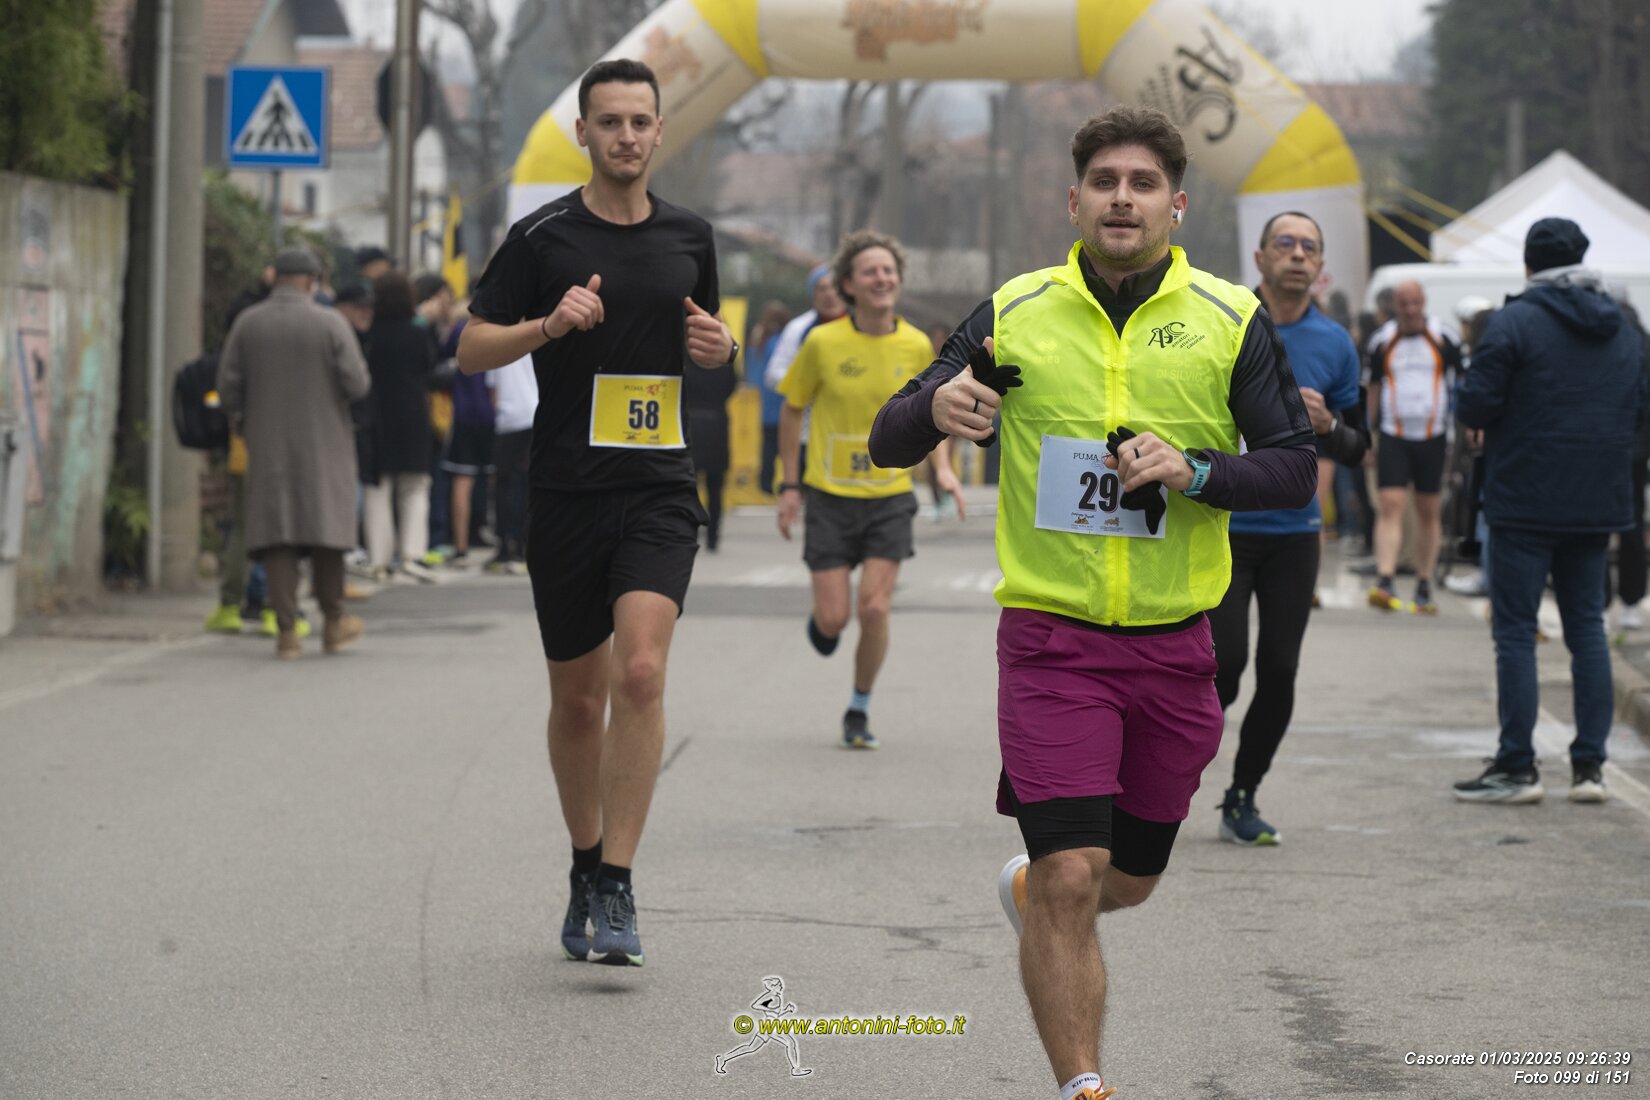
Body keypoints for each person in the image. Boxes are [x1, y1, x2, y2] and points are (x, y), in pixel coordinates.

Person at [868, 106, 1316, 1100]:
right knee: (1072, 873)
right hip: (1052, 644)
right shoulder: (1015, 310)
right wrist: (933, 407)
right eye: (1105, 182)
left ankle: (1032, 895)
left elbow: (1295, 469)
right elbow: (888, 436)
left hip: (1175, 647)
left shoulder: (1228, 318)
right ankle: (1083, 1084)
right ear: (1074, 200)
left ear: (1176, 205)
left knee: (1130, 878)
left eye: (1142, 183)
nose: (1122, 198)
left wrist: (1196, 469)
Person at [455, 59, 735, 967]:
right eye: (608, 121)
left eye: (639, 121)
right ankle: (584, 861)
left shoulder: (691, 236)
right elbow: (469, 349)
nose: (625, 136)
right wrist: (547, 326)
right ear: (583, 132)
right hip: (567, 492)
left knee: (640, 674)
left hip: (659, 489)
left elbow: (706, 343)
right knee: (577, 702)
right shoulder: (541, 238)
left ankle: (617, 881)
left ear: (660, 132)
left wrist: (720, 346)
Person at [1453, 218, 1646, 805]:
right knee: (1588, 628)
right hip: (1598, 500)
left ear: (1529, 264)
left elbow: (1475, 403)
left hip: (1524, 497)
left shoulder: (1514, 321)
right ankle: (1590, 769)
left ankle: (1518, 766)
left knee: (1515, 632)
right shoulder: (1625, 325)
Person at [1206, 212, 1369, 845]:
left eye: (1309, 247)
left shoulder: (1336, 343)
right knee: (1221, 667)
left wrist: (1330, 428)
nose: (1297, 255)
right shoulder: (1221, 322)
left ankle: (1243, 794)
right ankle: (1160, 776)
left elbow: (1360, 447)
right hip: (1222, 522)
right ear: (1260, 257)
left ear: (1320, 265)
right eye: (1285, 244)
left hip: (1296, 533)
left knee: (1279, 669)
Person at [776, 230, 964, 750]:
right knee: (834, 618)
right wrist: (789, 485)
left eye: (889, 270)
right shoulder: (822, 342)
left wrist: (944, 472)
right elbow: (792, 410)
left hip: (889, 496)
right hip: (830, 496)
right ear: (849, 285)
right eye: (870, 272)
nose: (882, 278)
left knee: (875, 608)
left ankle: (859, 706)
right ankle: (824, 624)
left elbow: (933, 417)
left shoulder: (917, 344)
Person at [216, 247, 370, 658]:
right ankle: (334, 623)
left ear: (276, 278)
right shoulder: (331, 323)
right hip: (326, 444)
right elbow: (357, 384)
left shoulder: (248, 324)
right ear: (310, 281)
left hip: (267, 444)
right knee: (327, 533)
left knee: (277, 534)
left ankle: (287, 632)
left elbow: (228, 388)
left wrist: (245, 417)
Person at [1364, 280, 1463, 613]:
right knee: (1390, 504)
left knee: (1427, 509)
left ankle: (1423, 583)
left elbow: (1463, 382)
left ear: (1424, 301)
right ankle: (1385, 579)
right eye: (1404, 303)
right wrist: (1367, 434)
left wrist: (1465, 428)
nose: (1410, 310)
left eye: (1415, 302)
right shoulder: (1382, 340)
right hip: (1394, 433)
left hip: (1434, 435)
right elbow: (1373, 388)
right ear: (1395, 305)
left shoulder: (1444, 336)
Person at [362, 272, 440, 581]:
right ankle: (412, 554)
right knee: (415, 487)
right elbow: (429, 367)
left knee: (378, 488)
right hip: (413, 415)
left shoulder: (370, 335)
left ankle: (379, 559)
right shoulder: (418, 333)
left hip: (378, 415)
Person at [764, 262, 848, 481]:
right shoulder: (798, 329)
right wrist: (809, 387)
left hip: (848, 434)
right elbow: (773, 373)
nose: (829, 294)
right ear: (813, 294)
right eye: (822, 288)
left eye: (835, 287)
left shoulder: (861, 325)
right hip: (806, 435)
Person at [684, 336, 739, 550]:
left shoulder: (685, 358)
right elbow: (732, 386)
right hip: (717, 424)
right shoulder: (723, 359)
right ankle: (714, 537)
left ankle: (689, 532)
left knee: (689, 487)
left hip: (690, 423)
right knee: (716, 488)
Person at [485, 355, 537, 573]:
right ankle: (523, 545)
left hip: (508, 420)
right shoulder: (534, 342)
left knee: (504, 485)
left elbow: (493, 391)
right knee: (526, 483)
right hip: (533, 414)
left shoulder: (498, 345)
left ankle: (505, 546)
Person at [746, 300, 794, 495]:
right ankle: (790, 483)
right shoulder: (783, 343)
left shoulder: (759, 343)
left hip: (765, 406)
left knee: (768, 447)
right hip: (784, 404)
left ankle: (765, 485)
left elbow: (752, 373)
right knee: (788, 448)